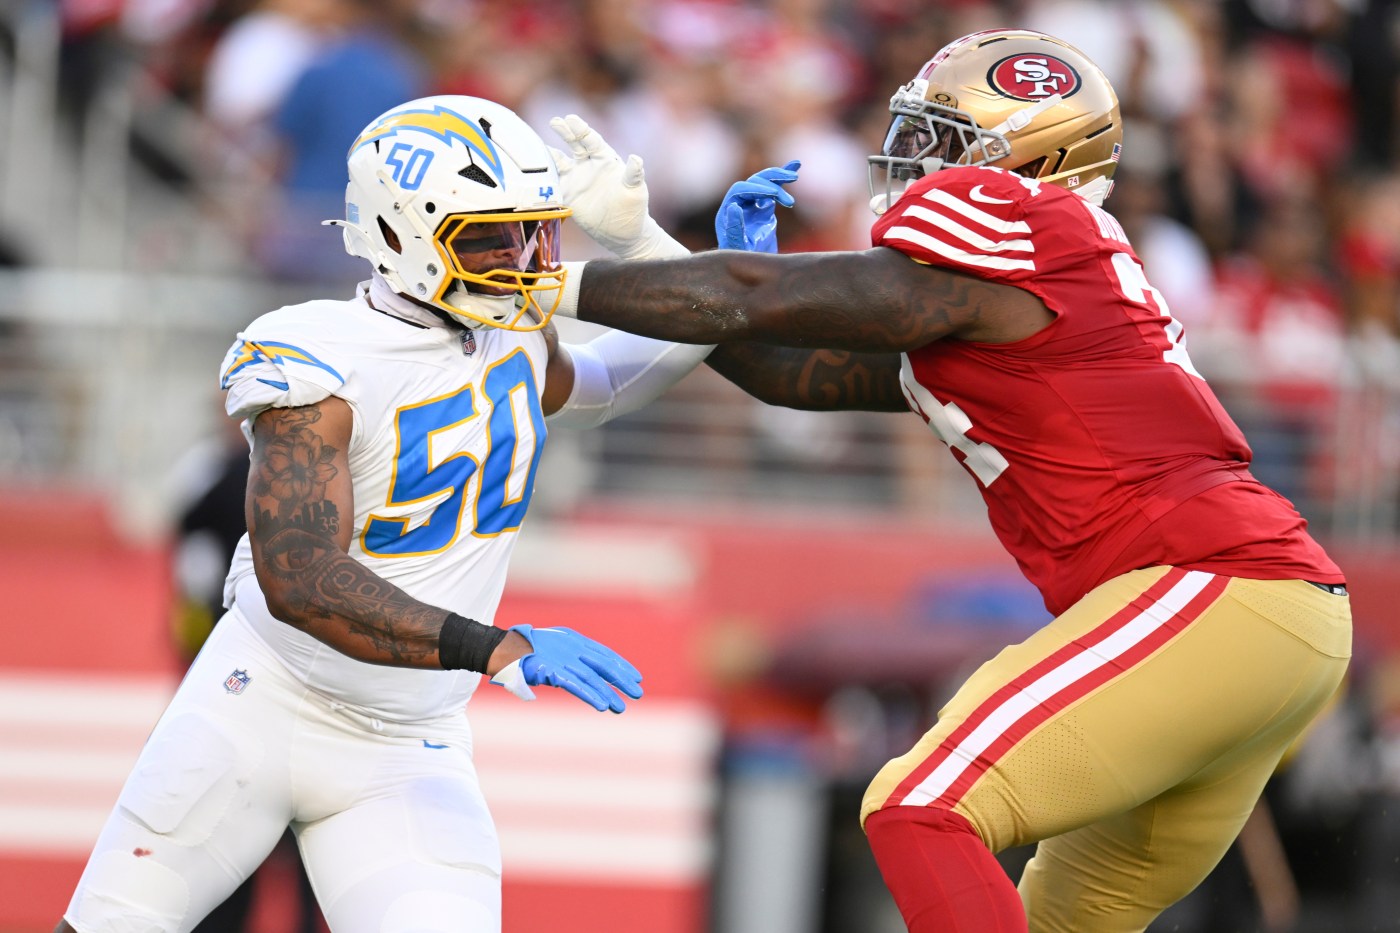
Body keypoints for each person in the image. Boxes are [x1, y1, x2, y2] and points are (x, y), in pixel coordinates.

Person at [543, 29, 1352, 933]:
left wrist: (530, 282)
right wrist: (645, 245)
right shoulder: (1019, 297)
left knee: (919, 804)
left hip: (1215, 584)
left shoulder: (1028, 224)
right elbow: (785, 369)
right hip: (1271, 615)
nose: (912, 159)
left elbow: (754, 295)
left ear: (1032, 161)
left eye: (943, 139)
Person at [54, 94, 767, 932]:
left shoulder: (509, 332)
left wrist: (676, 258)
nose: (520, 257)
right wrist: (493, 646)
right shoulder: (319, 356)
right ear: (400, 235)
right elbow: (301, 577)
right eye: (489, 235)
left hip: (408, 741)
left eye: (529, 230)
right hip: (260, 704)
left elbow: (609, 382)